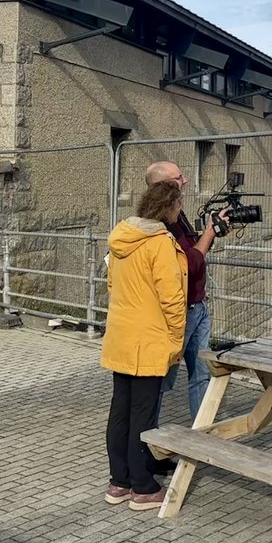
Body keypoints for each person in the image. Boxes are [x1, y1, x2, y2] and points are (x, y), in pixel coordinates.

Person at [101, 181, 188, 511]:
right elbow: (172, 298)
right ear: (168, 206)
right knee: (143, 413)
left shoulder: (121, 236)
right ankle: (143, 486)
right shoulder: (159, 243)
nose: (180, 210)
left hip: (121, 334)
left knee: (120, 409)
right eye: (178, 205)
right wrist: (176, 339)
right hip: (149, 338)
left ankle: (118, 481)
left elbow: (111, 283)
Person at [144, 161, 226, 425]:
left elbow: (194, 253)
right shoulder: (159, 223)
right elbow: (186, 264)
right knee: (161, 379)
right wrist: (208, 235)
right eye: (180, 177)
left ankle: (202, 434)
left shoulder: (176, 214)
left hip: (197, 306)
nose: (186, 181)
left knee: (202, 374)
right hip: (181, 311)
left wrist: (208, 236)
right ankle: (148, 443)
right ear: (164, 186)